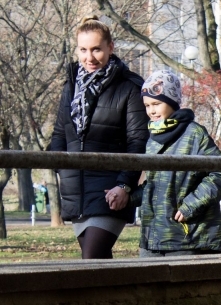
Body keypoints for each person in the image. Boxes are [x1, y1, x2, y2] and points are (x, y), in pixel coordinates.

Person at [50, 16, 148, 259]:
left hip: (110, 189)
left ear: (110, 47)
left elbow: (137, 142)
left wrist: (125, 184)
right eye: (83, 50)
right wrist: (61, 170)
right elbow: (60, 134)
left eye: (96, 49)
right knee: (98, 268)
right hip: (75, 191)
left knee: (91, 260)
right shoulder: (71, 86)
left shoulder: (129, 87)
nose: (89, 58)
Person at [134, 70, 221, 256]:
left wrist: (191, 205)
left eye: (156, 104)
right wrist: (129, 197)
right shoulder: (152, 138)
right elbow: (155, 185)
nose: (151, 111)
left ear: (172, 102)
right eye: (147, 105)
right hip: (154, 237)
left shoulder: (194, 134)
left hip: (190, 237)